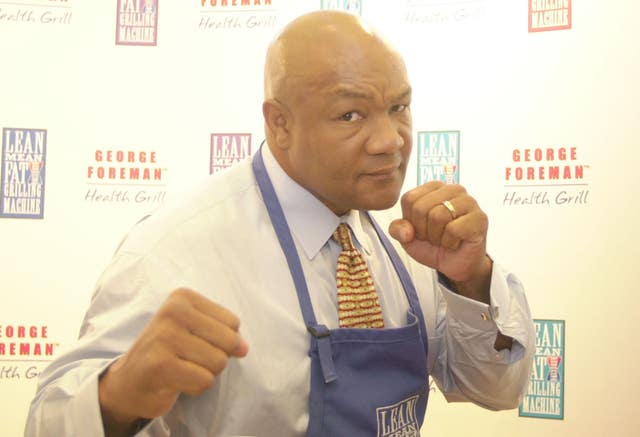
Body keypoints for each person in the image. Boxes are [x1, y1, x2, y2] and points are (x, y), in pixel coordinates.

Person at [25, 10, 534, 437]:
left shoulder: (414, 241)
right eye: (350, 116)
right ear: (279, 123)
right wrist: (119, 393)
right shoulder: (174, 250)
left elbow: (496, 389)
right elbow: (43, 424)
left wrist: (471, 279)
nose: (390, 140)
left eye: (399, 107)